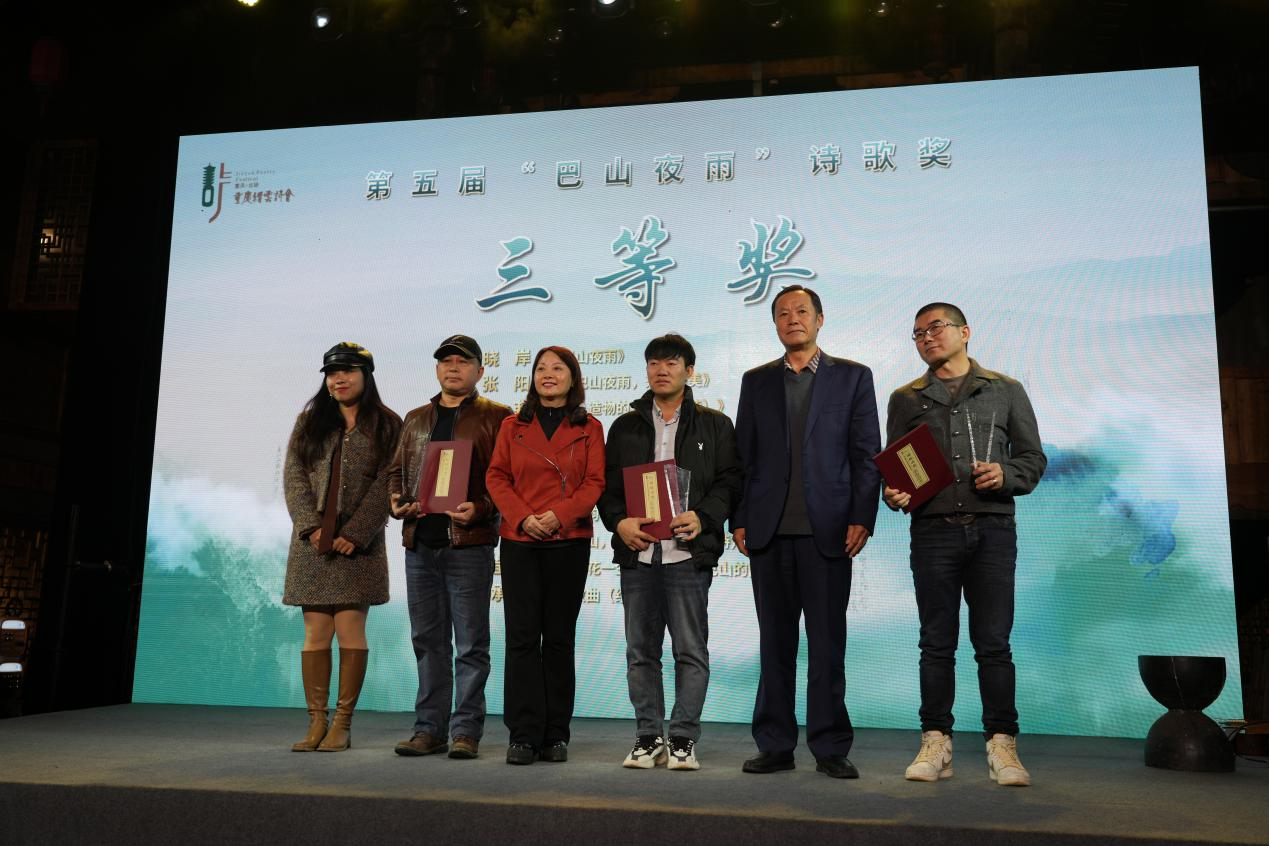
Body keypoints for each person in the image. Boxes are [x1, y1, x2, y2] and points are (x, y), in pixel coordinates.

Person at [883, 303, 1047, 787]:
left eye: (936, 328)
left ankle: (1003, 743)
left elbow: (1033, 458)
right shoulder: (905, 398)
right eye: (918, 333)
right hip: (933, 531)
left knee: (994, 643)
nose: (927, 338)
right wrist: (894, 493)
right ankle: (935, 741)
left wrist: (1006, 474)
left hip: (993, 528)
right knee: (935, 642)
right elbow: (897, 471)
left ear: (965, 332)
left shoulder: (1005, 389)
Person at [731, 285, 881, 779]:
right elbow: (743, 458)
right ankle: (775, 744)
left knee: (827, 645)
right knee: (774, 645)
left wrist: (862, 516)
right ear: (774, 324)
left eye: (801, 311)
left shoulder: (854, 377)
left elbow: (866, 455)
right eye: (782, 313)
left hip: (830, 530)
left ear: (820, 319)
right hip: (769, 532)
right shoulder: (756, 381)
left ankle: (830, 745)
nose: (792, 319)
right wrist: (739, 518)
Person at [598, 333, 743, 771]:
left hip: (687, 556)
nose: (662, 370)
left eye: (672, 362)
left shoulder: (715, 425)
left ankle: (682, 737)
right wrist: (618, 523)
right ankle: (648, 736)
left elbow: (730, 481)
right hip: (639, 555)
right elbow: (607, 488)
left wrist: (704, 517)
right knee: (640, 653)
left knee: (690, 652)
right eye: (654, 363)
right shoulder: (625, 426)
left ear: (689, 371)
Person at [387, 335, 510, 760]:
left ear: (480, 370)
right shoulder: (415, 418)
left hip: (468, 546)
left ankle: (466, 731)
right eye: (446, 361)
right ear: (437, 369)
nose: (453, 367)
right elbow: (397, 472)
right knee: (427, 641)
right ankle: (429, 729)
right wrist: (396, 500)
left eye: (462, 361)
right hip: (420, 544)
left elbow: (506, 480)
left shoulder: (498, 417)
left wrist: (482, 508)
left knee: (471, 644)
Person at [485, 346, 605, 765]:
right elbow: (496, 476)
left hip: (568, 540)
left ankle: (555, 733)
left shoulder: (590, 427)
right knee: (521, 639)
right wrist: (523, 518)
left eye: (557, 368)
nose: (548, 374)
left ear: (573, 378)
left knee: (557, 639)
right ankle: (522, 734)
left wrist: (558, 516)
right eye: (540, 368)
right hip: (520, 541)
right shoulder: (511, 426)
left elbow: (594, 482)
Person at [283, 342, 401, 752]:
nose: (339, 379)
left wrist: (356, 533)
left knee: (351, 628)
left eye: (348, 371)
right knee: (315, 633)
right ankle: (316, 721)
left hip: (358, 548)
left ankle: (343, 724)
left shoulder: (387, 424)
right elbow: (294, 477)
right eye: (332, 373)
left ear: (366, 375)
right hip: (312, 546)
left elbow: (389, 481)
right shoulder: (310, 421)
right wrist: (310, 527)